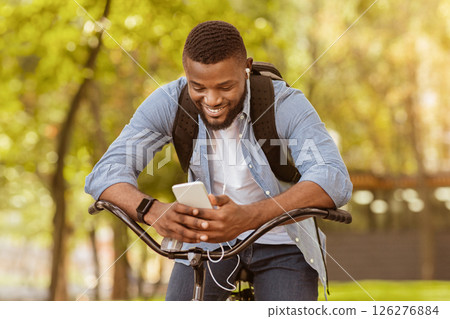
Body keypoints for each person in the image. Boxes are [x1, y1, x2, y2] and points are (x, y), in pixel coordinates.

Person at [85, 20, 352, 300]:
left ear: (246, 68)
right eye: (198, 86)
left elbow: (332, 178)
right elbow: (106, 173)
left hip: (284, 243)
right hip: (206, 244)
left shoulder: (285, 104)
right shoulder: (168, 103)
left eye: (225, 87)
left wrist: (248, 217)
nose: (212, 100)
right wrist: (152, 211)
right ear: (186, 72)